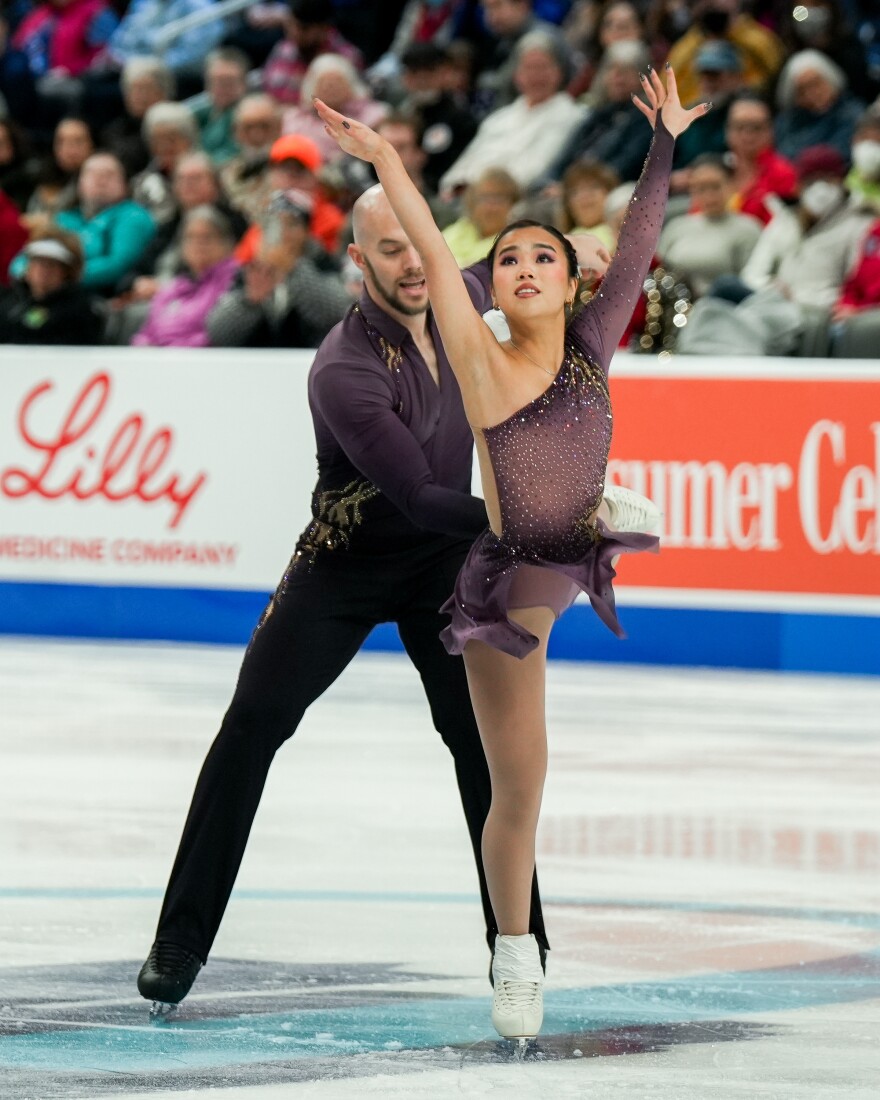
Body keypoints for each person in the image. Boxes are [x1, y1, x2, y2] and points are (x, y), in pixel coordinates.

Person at [138, 172, 611, 1016]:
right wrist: (549, 516)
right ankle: (179, 944)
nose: (412, 263)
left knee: (483, 748)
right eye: (389, 249)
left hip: (444, 569)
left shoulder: (463, 295)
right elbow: (423, 498)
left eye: (416, 242)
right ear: (358, 259)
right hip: (343, 566)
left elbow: (552, 272)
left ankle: (521, 945)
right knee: (250, 728)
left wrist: (596, 252)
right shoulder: (343, 367)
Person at [313, 62, 707, 1042]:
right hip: (508, 573)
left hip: (573, 541)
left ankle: (592, 506)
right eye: (510, 259)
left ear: (569, 281)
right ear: (492, 282)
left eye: (544, 257)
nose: (524, 267)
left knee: (520, 769)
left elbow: (640, 244)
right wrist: (387, 159)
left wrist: (664, 142)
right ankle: (513, 949)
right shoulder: (478, 349)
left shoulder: (591, 343)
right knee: (519, 781)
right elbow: (440, 265)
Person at [130, 205, 239, 347]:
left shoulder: (234, 280)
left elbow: (219, 334)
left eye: (207, 237)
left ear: (226, 243)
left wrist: (174, 351)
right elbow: (147, 333)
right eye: (191, 237)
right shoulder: (175, 286)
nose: (198, 244)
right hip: (161, 362)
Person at [0, 226, 104, 343]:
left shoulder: (79, 309)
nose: (43, 270)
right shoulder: (8, 300)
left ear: (66, 272)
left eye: (51, 264)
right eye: (38, 262)